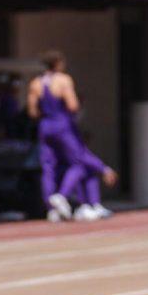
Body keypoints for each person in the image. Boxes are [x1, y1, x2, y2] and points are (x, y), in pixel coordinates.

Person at [28, 51, 114, 222]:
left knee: (48, 167)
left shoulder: (36, 83)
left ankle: (51, 208)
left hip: (45, 125)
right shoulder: (63, 80)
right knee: (77, 162)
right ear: (58, 63)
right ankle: (62, 195)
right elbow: (73, 105)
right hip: (62, 123)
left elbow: (32, 111)